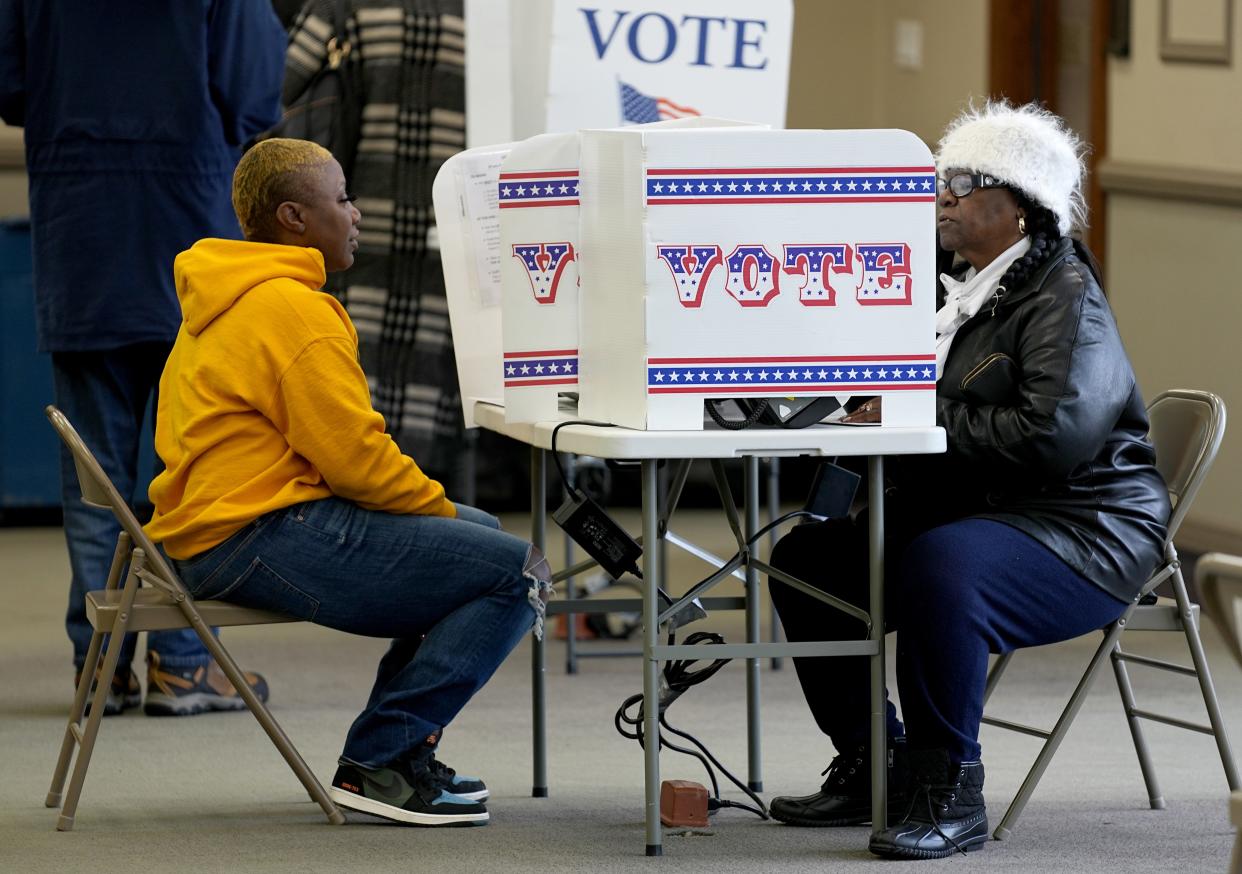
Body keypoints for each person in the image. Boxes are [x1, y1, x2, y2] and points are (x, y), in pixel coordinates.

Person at [765, 101, 1170, 859]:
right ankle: (875, 766)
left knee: (942, 567)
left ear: (1020, 206)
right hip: (982, 509)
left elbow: (1050, 439)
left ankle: (948, 787)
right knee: (807, 563)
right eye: (939, 180)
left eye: (960, 181)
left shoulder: (1066, 297)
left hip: (1085, 528)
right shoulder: (966, 292)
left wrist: (920, 410)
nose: (940, 195)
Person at [145, 137, 551, 827]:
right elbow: (357, 461)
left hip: (221, 528)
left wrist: (451, 520)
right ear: (294, 218)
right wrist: (441, 509)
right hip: (259, 533)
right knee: (522, 572)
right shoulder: (293, 311)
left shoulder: (232, 292)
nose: (356, 213)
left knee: (479, 544)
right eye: (341, 199)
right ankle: (382, 763)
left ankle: (395, 753)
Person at [0, 1, 287, 716]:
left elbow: (9, 88)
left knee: (93, 480)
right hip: (189, 225)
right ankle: (182, 663)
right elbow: (252, 93)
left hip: (82, 231)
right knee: (191, 472)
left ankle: (99, 668)